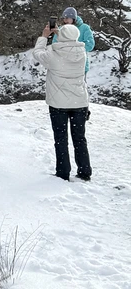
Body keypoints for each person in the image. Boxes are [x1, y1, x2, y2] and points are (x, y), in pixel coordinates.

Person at [33, 18, 91, 181]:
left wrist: (44, 36)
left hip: (58, 104)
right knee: (79, 138)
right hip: (79, 103)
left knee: (61, 138)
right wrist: (63, 33)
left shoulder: (52, 53)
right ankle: (85, 172)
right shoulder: (82, 53)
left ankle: (63, 172)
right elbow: (70, 43)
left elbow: (37, 53)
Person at [60, 5, 95, 70]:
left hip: (80, 65)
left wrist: (75, 51)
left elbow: (90, 44)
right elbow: (55, 44)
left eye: (67, 18)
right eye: (64, 18)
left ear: (73, 18)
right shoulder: (61, 29)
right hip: (64, 65)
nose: (65, 20)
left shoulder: (84, 28)